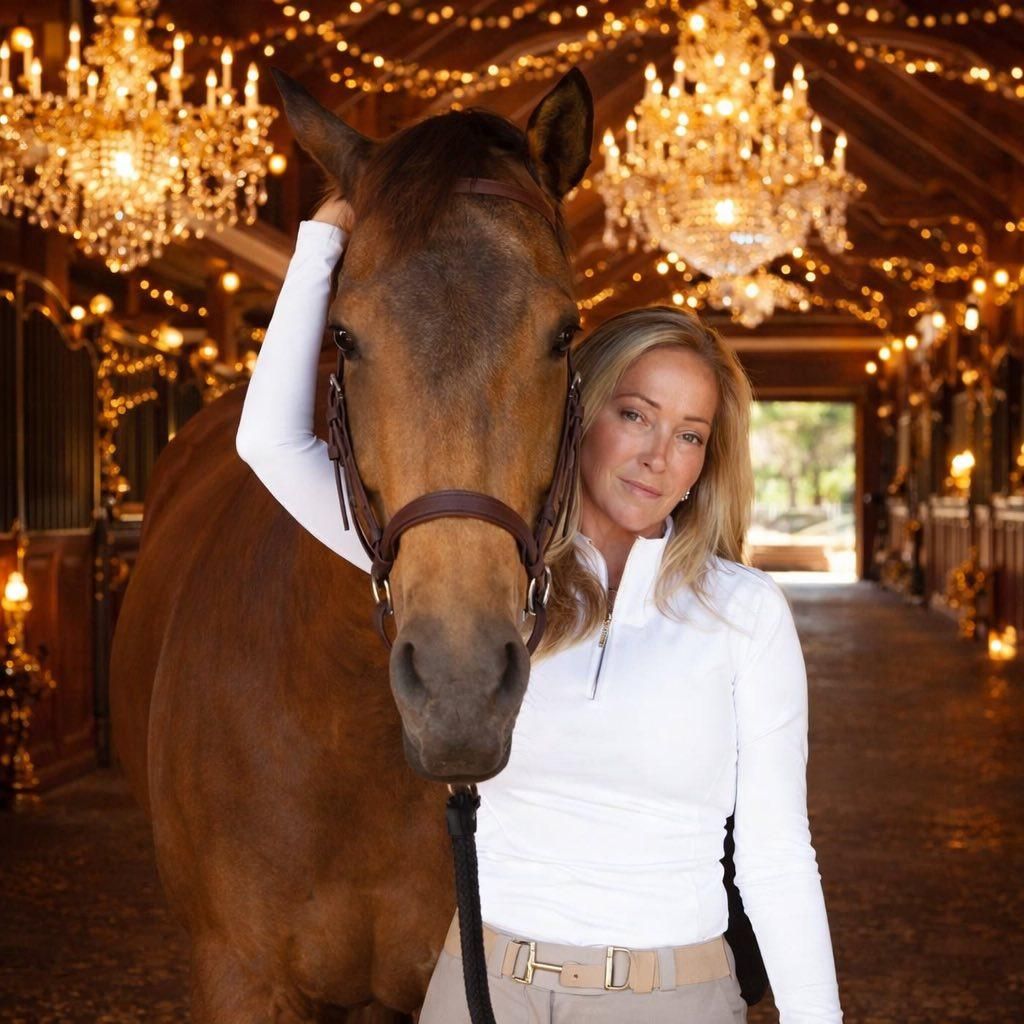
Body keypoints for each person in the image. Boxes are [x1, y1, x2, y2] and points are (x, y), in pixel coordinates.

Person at [235, 196, 844, 1024]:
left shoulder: (746, 613)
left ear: (708, 460)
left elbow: (778, 855)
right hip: (483, 987)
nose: (658, 456)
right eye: (635, 414)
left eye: (691, 434)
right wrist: (321, 246)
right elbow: (270, 445)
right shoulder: (487, 573)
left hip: (670, 997)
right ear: (578, 410)